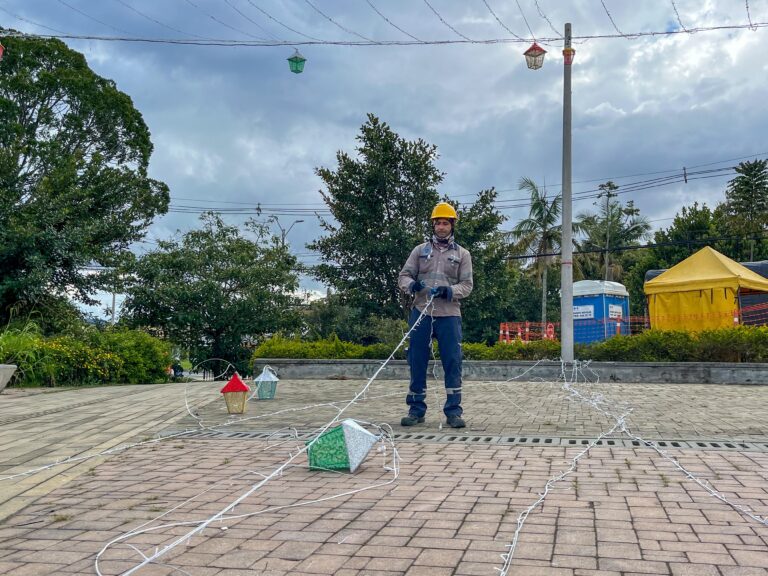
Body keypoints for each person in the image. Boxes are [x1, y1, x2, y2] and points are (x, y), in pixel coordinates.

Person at [398, 201, 474, 428]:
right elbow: (404, 276)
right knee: (417, 359)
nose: (441, 227)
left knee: (452, 361)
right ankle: (416, 409)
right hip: (422, 312)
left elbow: (467, 285)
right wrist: (413, 286)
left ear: (452, 225)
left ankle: (453, 411)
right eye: (438, 223)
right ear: (433, 225)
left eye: (445, 223)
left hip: (449, 314)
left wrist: (450, 291)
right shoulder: (419, 251)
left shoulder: (462, 254)